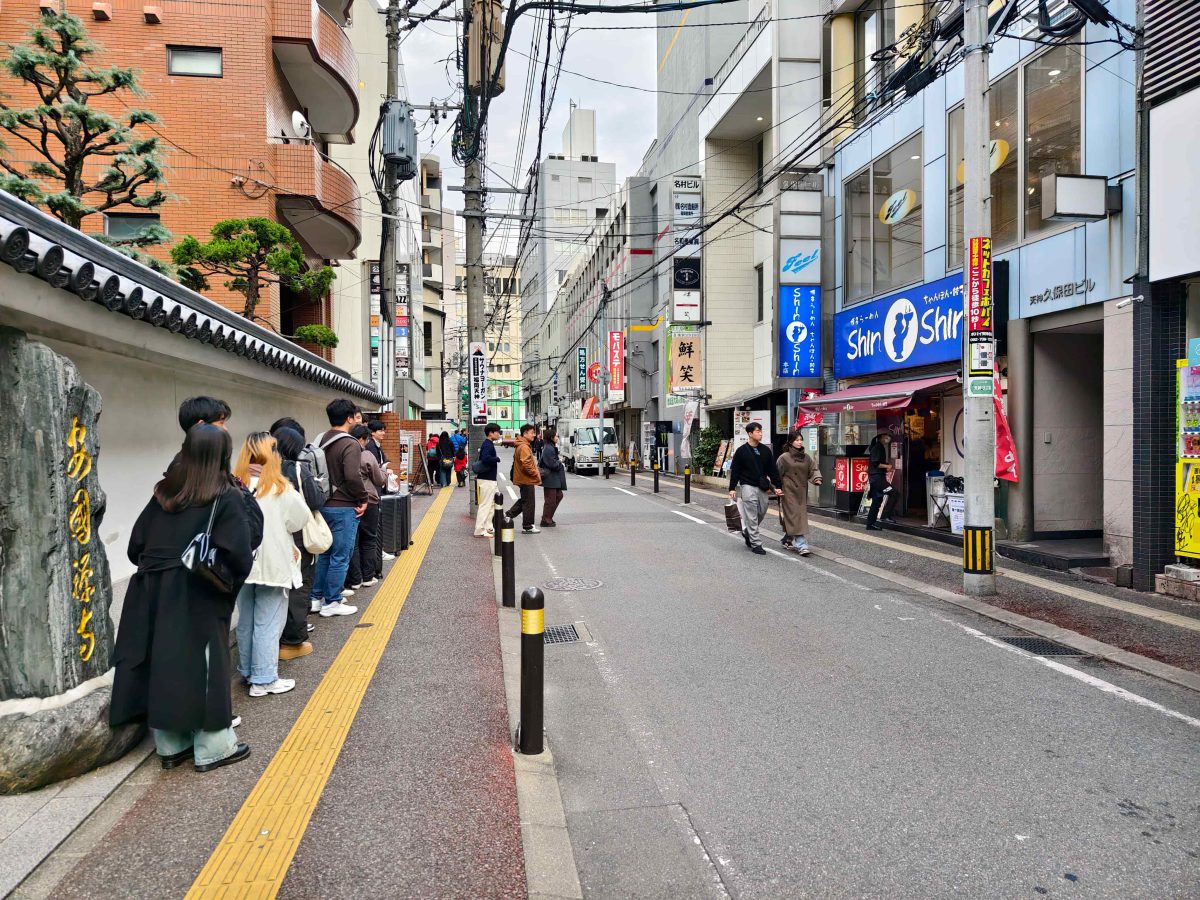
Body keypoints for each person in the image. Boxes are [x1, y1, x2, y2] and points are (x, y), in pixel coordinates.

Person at [111, 424, 254, 772]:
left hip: (150, 590)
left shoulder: (164, 493)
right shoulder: (226, 495)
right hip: (197, 590)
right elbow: (239, 555)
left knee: (164, 660)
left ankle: (171, 744)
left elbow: (135, 547)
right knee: (205, 664)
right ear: (223, 455)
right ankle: (212, 747)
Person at [232, 433, 310, 697]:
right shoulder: (279, 488)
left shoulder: (234, 484)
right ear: (272, 456)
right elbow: (299, 520)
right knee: (268, 621)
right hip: (273, 564)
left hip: (240, 564)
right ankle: (264, 679)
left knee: (246, 620)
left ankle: (248, 670)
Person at [175, 396, 263, 551]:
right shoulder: (215, 479)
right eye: (221, 422)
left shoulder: (171, 477)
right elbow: (250, 537)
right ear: (201, 426)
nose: (226, 429)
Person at [311, 399, 368, 617]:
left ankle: (317, 597)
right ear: (349, 418)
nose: (357, 419)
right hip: (343, 506)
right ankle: (332, 601)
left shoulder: (321, 439)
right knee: (340, 555)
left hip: (323, 504)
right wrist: (362, 498)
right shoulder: (350, 443)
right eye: (355, 416)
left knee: (325, 554)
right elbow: (353, 476)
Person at [271, 425, 323, 660]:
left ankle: (274, 639)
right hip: (298, 537)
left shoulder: (263, 470)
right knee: (299, 586)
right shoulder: (298, 469)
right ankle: (292, 642)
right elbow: (315, 500)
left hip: (271, 537)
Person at [728, 422, 783, 555]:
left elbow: (772, 470)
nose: (760, 433)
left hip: (762, 486)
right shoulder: (741, 451)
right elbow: (735, 470)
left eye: (761, 431)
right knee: (751, 515)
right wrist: (732, 487)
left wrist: (778, 486)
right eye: (758, 431)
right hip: (747, 485)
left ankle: (747, 532)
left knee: (762, 511)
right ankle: (756, 543)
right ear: (750, 433)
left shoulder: (765, 450)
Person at [346, 424, 387, 590]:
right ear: (363, 439)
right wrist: (384, 471)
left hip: (349, 501)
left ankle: (354, 579)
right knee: (369, 538)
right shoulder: (366, 454)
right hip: (369, 500)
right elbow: (379, 479)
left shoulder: (344, 454)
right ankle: (367, 576)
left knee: (353, 542)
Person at [776, 431, 822, 555]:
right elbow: (777, 474)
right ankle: (802, 545)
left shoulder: (806, 457)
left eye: (801, 439)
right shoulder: (784, 457)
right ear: (791, 442)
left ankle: (787, 538)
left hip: (801, 491)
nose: (800, 442)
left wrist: (817, 478)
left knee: (795, 516)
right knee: (796, 516)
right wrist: (777, 488)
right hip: (788, 491)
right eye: (797, 440)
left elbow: (813, 469)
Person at [506, 423, 542, 534]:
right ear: (525, 433)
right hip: (526, 478)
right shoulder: (524, 446)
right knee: (529, 502)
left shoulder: (522, 445)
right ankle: (528, 526)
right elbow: (526, 463)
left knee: (525, 500)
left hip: (523, 477)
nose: (534, 435)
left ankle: (506, 516)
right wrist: (535, 474)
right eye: (532, 433)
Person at [473, 423, 501, 538]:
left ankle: (488, 526)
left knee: (493, 503)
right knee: (485, 504)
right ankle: (479, 529)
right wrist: (496, 459)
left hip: (489, 479)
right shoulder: (488, 445)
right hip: (486, 479)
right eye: (497, 432)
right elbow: (485, 458)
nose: (499, 434)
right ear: (491, 433)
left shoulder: (488, 444)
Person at [865, 433, 895, 531]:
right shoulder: (878, 447)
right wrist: (887, 466)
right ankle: (886, 515)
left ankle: (870, 524)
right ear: (881, 437)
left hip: (875, 478)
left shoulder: (878, 446)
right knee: (894, 493)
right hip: (877, 479)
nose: (888, 439)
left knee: (877, 501)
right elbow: (876, 463)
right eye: (886, 436)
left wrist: (886, 467)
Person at [539, 426, 566, 528]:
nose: (557, 437)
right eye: (555, 436)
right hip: (550, 478)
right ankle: (546, 519)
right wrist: (560, 462)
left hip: (553, 478)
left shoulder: (550, 447)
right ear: (551, 437)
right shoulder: (548, 448)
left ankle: (547, 517)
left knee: (558, 496)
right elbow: (552, 464)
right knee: (550, 500)